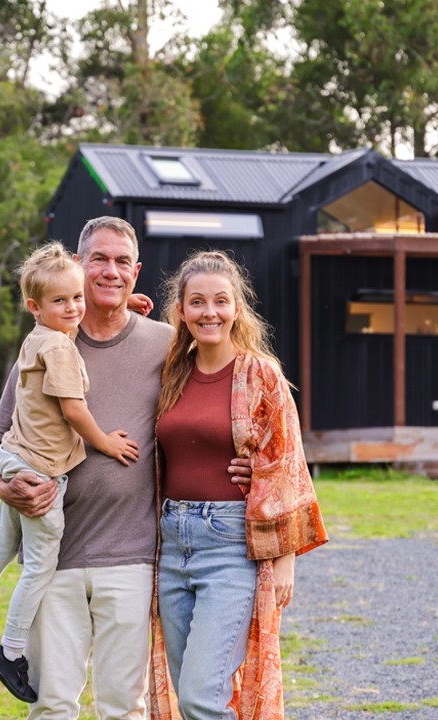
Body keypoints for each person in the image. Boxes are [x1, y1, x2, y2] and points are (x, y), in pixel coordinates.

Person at [0, 217, 251, 720]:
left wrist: (249, 461)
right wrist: (3, 486)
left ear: (136, 271)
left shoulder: (168, 344)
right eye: (98, 259)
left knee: (123, 707)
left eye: (122, 261)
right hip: (53, 558)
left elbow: (220, 394)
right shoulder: (40, 348)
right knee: (53, 704)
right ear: (77, 267)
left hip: (131, 557)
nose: (110, 270)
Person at [0, 241, 140, 703]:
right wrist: (106, 443)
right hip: (40, 473)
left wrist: (125, 304)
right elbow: (73, 410)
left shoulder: (39, 336)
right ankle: (11, 651)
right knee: (39, 566)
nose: (74, 307)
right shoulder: (62, 350)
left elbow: (72, 314)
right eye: (62, 300)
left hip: (19, 456)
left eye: (77, 298)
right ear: (36, 307)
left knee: (0, 545)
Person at [149, 250, 328, 720]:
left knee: (201, 699)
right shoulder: (171, 372)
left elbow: (286, 464)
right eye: (197, 302)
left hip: (229, 548)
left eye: (221, 301)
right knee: (189, 693)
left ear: (237, 308)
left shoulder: (259, 373)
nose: (210, 312)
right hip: (171, 548)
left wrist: (285, 558)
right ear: (182, 310)